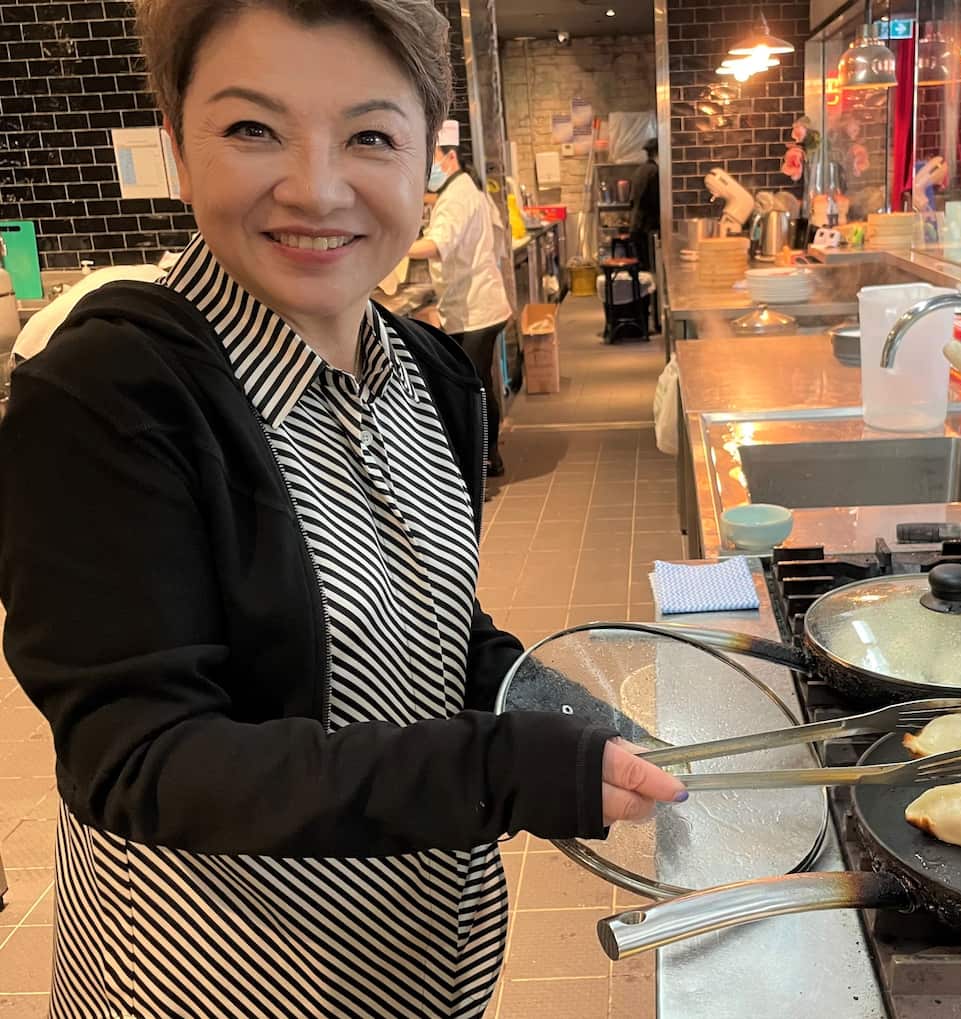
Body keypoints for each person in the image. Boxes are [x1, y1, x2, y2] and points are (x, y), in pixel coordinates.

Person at [0, 3, 685, 1017]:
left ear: (424, 159)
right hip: (220, 978)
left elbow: (433, 629)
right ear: (178, 144)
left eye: (368, 134)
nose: (315, 187)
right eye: (250, 129)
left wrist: (550, 709)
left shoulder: (430, 372)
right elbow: (136, 753)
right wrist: (498, 768)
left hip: (419, 952)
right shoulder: (109, 392)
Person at [407, 120, 510, 478]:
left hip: (476, 309)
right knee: (478, 382)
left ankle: (480, 459)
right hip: (478, 304)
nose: (428, 168)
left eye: (431, 158)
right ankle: (489, 456)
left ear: (449, 157)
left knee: (471, 387)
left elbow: (436, 245)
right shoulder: (465, 189)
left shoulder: (457, 196)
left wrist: (394, 247)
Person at [628, 137, 661, 271]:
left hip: (637, 226)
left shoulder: (640, 170)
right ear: (658, 153)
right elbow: (654, 201)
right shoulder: (654, 171)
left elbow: (631, 201)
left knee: (644, 269)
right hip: (647, 228)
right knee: (651, 270)